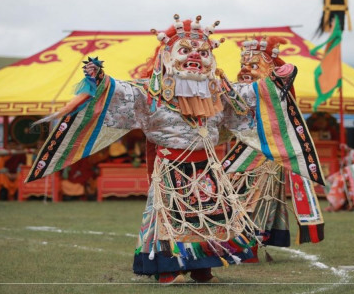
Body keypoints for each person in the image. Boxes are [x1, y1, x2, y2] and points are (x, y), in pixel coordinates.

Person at [26, 15, 324, 283]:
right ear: (167, 56)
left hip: (207, 168)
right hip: (170, 168)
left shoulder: (217, 90)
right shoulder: (150, 92)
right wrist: (101, 81)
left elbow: (247, 102)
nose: (195, 56)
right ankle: (167, 269)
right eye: (186, 50)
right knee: (169, 217)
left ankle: (202, 267)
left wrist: (277, 79)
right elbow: (123, 93)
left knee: (211, 217)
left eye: (203, 53)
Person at [231, 36, 324, 262]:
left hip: (265, 157)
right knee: (235, 199)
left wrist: (275, 66)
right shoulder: (238, 92)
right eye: (243, 65)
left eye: (254, 66)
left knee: (255, 202)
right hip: (241, 155)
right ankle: (239, 245)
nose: (245, 70)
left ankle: (248, 248)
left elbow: (289, 69)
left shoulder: (273, 92)